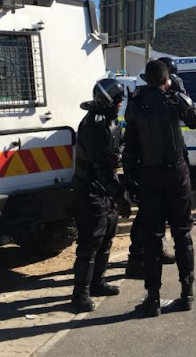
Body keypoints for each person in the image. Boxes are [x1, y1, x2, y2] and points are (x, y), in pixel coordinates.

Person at [122, 60, 196, 317]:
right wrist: (180, 92)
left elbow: (130, 147)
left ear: (146, 79)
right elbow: (193, 121)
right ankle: (187, 292)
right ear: (167, 79)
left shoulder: (136, 103)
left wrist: (130, 180)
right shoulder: (174, 100)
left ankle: (152, 297)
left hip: (149, 174)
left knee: (153, 238)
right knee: (182, 234)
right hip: (175, 173)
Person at [70, 78, 132, 312]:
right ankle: (80, 295)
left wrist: (119, 153)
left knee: (106, 238)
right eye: (119, 101)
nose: (120, 105)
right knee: (90, 243)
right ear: (110, 102)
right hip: (90, 192)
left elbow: (122, 142)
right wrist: (119, 197)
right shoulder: (94, 126)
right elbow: (101, 168)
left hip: (103, 191)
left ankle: (97, 282)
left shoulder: (110, 121)